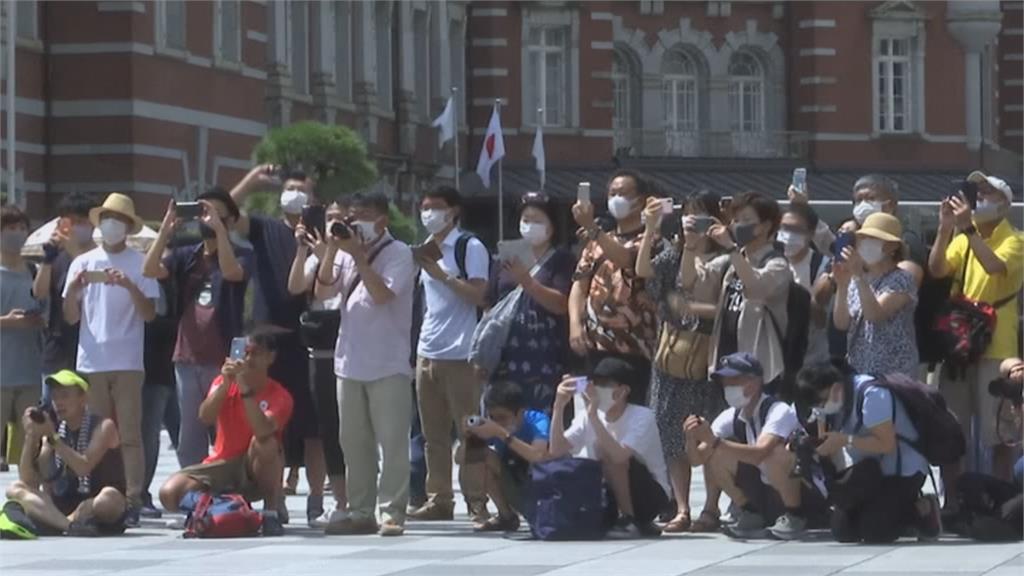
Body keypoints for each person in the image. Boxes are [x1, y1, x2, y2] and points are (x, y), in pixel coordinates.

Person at [314, 192, 415, 537]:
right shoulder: (344, 252)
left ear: (383, 220)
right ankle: (360, 509)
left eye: (364, 215)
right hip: (349, 361)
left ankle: (392, 511)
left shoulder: (399, 253)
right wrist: (331, 248)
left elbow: (383, 295)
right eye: (352, 216)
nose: (356, 222)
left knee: (392, 441)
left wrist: (359, 257)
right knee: (353, 442)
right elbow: (323, 290)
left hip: (388, 363)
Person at [230, 165, 323, 523]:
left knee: (314, 427)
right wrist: (252, 179)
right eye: (289, 188)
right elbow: (222, 214)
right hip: (267, 336)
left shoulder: (320, 233)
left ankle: (317, 498)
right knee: (269, 423)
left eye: (302, 189)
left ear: (313, 198)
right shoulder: (264, 228)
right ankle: (275, 498)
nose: (294, 193)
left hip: (308, 337)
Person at [62, 193, 160, 526]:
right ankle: (100, 493)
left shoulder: (141, 262)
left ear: (128, 226)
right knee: (96, 433)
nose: (111, 224)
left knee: (130, 433)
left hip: (128, 360)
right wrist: (75, 288)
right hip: (91, 360)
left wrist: (130, 286)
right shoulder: (83, 262)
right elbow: (70, 317)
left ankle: (133, 496)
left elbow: (149, 314)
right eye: (106, 217)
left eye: (117, 219)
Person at [636, 190, 727, 533]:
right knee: (671, 431)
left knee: (711, 430)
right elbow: (644, 270)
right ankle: (682, 507)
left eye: (702, 216)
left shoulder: (728, 256)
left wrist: (693, 309)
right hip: (671, 353)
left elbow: (730, 306)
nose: (694, 223)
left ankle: (712, 507)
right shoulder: (674, 252)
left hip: (709, 355)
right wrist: (650, 228)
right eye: (689, 215)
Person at [929, 172, 1024, 493]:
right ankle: (955, 500)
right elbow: (938, 269)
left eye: (988, 193)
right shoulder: (961, 237)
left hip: (996, 345)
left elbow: (995, 266)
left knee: (998, 429)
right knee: (952, 427)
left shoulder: (1016, 239)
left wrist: (968, 228)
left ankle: (1000, 496)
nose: (979, 197)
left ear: (1005, 204)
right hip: (959, 342)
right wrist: (945, 230)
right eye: (976, 191)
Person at [144, 189, 251, 470]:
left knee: (226, 425)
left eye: (215, 214)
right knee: (189, 432)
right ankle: (194, 488)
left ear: (230, 220)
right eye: (204, 214)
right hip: (187, 356)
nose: (207, 219)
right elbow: (150, 269)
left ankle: (226, 488)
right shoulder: (185, 255)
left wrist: (220, 232)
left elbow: (231, 273)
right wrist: (165, 231)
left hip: (226, 357)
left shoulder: (243, 254)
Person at [158, 328, 294, 537]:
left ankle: (270, 511)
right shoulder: (223, 383)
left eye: (255, 353)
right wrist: (225, 385)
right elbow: (205, 417)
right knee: (169, 493)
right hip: (222, 461)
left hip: (253, 466)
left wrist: (244, 389)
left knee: (265, 443)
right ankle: (213, 507)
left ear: (270, 357)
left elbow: (263, 429)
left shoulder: (280, 395)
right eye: (245, 352)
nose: (248, 359)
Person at [410, 186, 490, 523]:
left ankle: (476, 500)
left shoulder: (467, 246)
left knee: (469, 432)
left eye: (437, 207)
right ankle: (439, 498)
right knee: (433, 436)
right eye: (425, 207)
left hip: (461, 353)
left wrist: (442, 275)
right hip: (428, 351)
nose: (429, 214)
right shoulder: (424, 249)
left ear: (453, 211)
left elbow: (478, 295)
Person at [795, 361, 939, 543]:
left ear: (836, 388)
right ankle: (886, 511)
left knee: (876, 531)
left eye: (822, 402)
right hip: (870, 471)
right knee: (843, 531)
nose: (821, 408)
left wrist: (845, 440)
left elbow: (887, 445)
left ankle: (923, 509)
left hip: (902, 470)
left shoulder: (872, 395)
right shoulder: (835, 404)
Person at [684, 352, 822, 540]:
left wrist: (713, 441)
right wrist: (692, 437)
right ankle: (750, 512)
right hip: (765, 489)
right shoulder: (731, 415)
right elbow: (696, 460)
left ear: (755, 382)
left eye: (734, 380)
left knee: (774, 454)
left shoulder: (778, 410)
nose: (728, 387)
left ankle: (795, 515)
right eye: (725, 382)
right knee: (715, 454)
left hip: (804, 492)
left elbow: (761, 453)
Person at [549, 358, 670, 537]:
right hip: (607, 490)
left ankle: (629, 519)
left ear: (623, 391)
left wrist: (594, 416)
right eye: (595, 383)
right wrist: (559, 407)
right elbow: (556, 450)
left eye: (604, 384)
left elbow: (619, 456)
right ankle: (621, 519)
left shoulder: (642, 416)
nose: (597, 389)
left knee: (606, 450)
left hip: (649, 494)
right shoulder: (586, 416)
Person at [570, 170, 660, 404]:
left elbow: (626, 260)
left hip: (635, 347)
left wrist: (592, 227)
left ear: (640, 200)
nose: (616, 198)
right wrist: (575, 325)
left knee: (630, 411)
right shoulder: (595, 241)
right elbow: (579, 286)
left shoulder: (651, 239)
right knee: (594, 410)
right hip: (596, 345)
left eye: (623, 193)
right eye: (612, 193)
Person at [287, 199, 349, 527]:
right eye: (329, 219)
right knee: (328, 426)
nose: (333, 224)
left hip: (355, 349)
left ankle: (363, 494)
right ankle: (339, 498)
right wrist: (302, 250)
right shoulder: (315, 254)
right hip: (323, 352)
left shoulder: (355, 254)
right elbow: (296, 287)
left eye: (340, 218)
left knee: (355, 427)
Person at [5, 370, 127, 536]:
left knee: (108, 499)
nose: (59, 402)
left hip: (95, 502)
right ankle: (69, 525)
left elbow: (83, 467)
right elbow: (30, 480)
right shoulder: (54, 428)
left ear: (83, 398)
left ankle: (59, 522)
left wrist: (54, 439)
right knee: (15, 488)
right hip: (61, 505)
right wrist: (31, 436)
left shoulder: (103, 426)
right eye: (55, 397)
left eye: (64, 396)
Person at [486, 192, 574, 411]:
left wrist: (526, 280)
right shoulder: (505, 259)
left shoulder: (562, 259)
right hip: (505, 357)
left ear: (552, 225)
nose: (530, 225)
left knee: (540, 425)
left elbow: (560, 304)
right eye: (526, 220)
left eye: (538, 220)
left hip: (546, 359)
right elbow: (490, 303)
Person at [705, 192, 791, 388]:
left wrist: (730, 248)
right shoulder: (734, 259)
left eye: (745, 220)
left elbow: (756, 287)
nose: (737, 225)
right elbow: (696, 281)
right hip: (726, 360)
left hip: (759, 367)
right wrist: (691, 246)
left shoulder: (777, 264)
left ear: (766, 226)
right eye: (735, 220)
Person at [833, 213, 919, 378]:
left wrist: (858, 276)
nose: (865, 244)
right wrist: (842, 285)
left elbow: (874, 315)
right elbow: (841, 323)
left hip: (893, 375)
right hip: (859, 371)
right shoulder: (856, 280)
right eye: (863, 238)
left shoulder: (902, 279)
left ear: (892, 247)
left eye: (873, 239)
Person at [465, 380, 551, 532]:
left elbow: (538, 456)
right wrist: (472, 439)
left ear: (520, 412)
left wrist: (502, 433)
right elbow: (460, 459)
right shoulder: (491, 426)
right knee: (480, 456)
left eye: (502, 417)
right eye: (493, 417)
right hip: (512, 478)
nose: (498, 422)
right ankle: (506, 516)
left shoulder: (538, 421)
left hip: (538, 487)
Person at [33, 193, 97, 387]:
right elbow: (39, 292)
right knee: (51, 408)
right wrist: (47, 258)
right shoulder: (58, 257)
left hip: (89, 347)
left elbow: (93, 285)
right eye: (72, 221)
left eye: (82, 221)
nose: (76, 227)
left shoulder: (99, 257)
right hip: (57, 347)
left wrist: (73, 251)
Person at [1, 205, 44, 469]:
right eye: (9, 229)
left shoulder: (34, 271)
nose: (16, 234)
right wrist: (7, 321)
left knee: (31, 444)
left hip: (30, 369)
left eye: (21, 229)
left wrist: (38, 319)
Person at [139, 275, 178, 519]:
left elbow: (161, 321)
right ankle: (138, 491)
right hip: (130, 366)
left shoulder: (165, 284)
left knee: (153, 434)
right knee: (143, 434)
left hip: (159, 368)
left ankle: (141, 491)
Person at [779, 203, 833, 366]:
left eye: (796, 230)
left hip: (811, 361)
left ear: (810, 234)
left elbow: (822, 321)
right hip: (774, 358)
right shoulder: (767, 260)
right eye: (785, 228)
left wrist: (795, 293)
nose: (788, 235)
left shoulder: (823, 266)